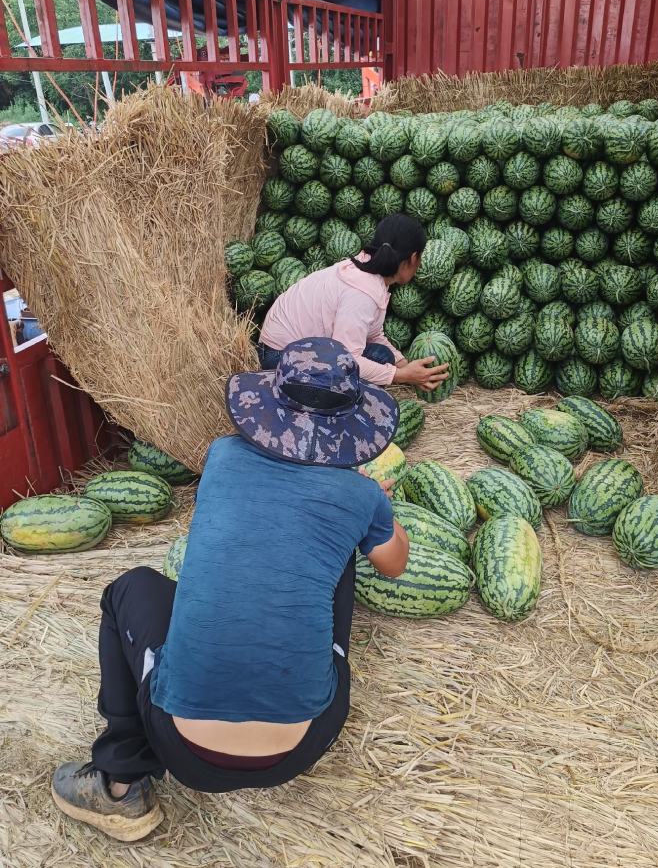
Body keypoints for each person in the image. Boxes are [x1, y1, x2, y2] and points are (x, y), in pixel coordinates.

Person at [51, 338, 409, 842]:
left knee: (128, 590)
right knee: (336, 552)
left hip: (184, 750)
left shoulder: (221, 457)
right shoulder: (361, 493)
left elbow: (264, 515)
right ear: (353, 423)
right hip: (305, 742)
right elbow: (394, 565)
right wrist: (377, 509)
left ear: (270, 407)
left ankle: (120, 785)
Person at [258, 213, 449, 394]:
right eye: (421, 258)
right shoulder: (362, 293)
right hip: (280, 358)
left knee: (383, 357)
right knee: (380, 361)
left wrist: (403, 364)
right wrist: (400, 376)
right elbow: (347, 359)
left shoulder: (366, 269)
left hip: (290, 349)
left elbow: (372, 334)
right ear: (413, 258)